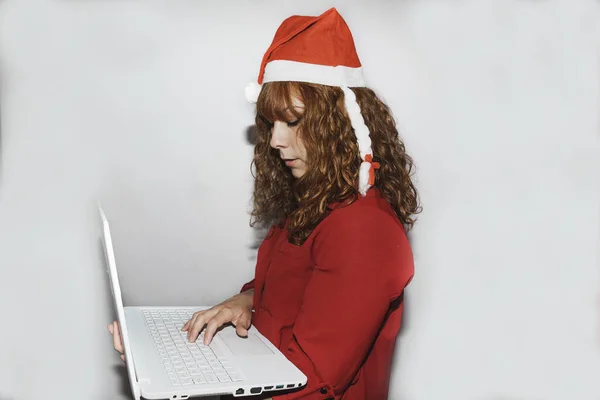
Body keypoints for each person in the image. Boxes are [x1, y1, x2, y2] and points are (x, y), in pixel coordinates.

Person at [108, 7, 421, 400]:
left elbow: (311, 385)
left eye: (293, 121)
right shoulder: (316, 199)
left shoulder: (362, 229)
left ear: (338, 123)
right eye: (271, 124)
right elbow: (291, 287)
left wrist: (179, 380)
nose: (275, 141)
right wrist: (245, 300)